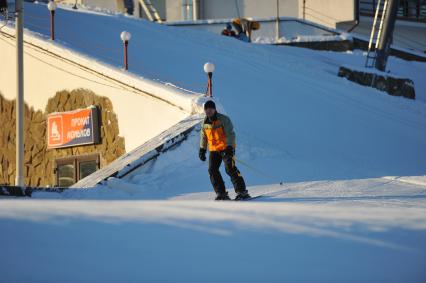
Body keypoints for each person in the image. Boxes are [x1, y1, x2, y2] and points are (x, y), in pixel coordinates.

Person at [199, 100, 250, 201]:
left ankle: (242, 192)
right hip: (214, 150)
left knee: (230, 169)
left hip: (226, 148)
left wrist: (230, 147)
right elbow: (203, 137)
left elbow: (230, 134)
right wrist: (202, 149)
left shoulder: (223, 119)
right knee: (212, 170)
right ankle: (221, 193)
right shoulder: (204, 123)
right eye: (207, 109)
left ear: (214, 109)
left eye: (211, 109)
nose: (209, 111)